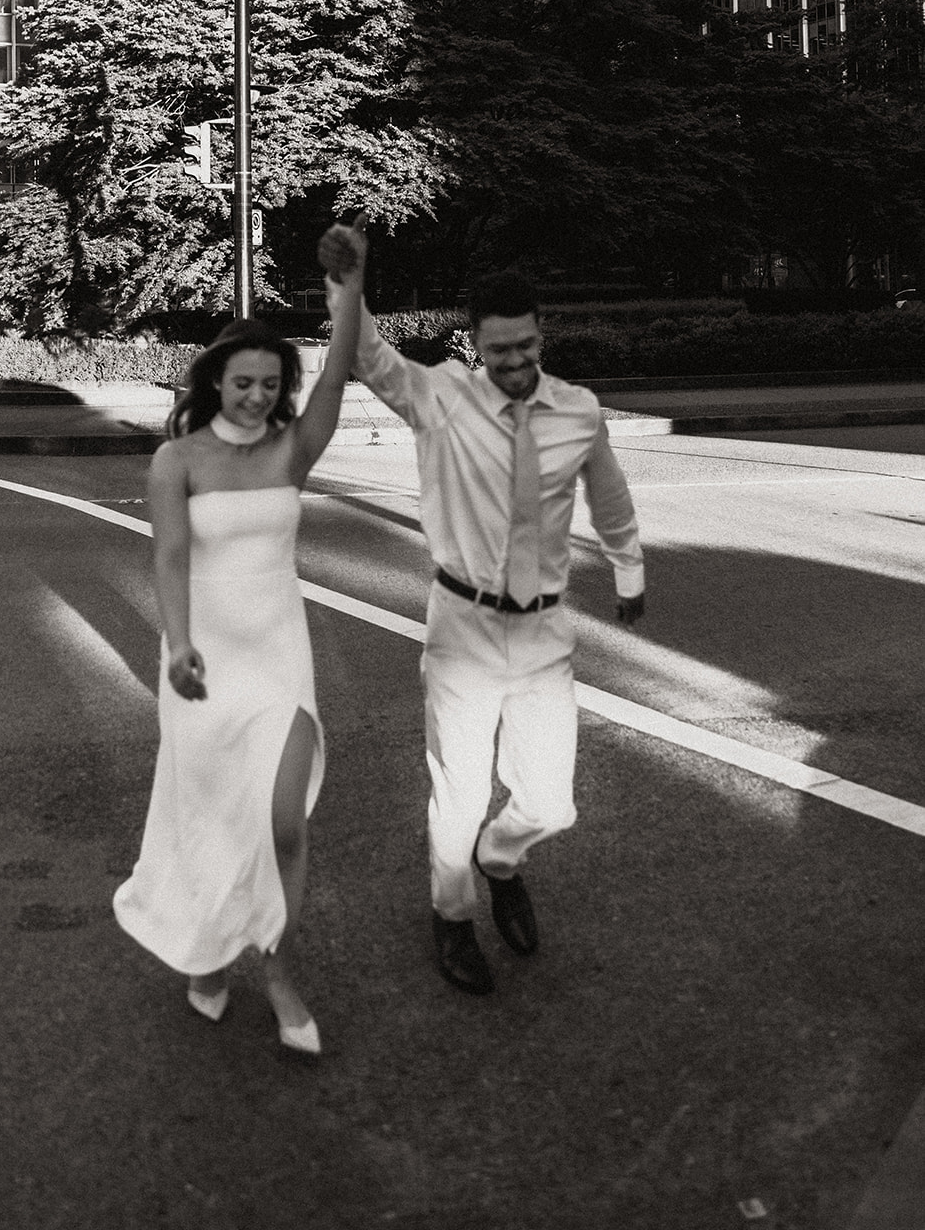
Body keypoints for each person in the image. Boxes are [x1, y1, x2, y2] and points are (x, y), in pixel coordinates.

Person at [319, 222, 644, 996]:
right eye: (499, 351)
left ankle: (501, 862)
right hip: (462, 625)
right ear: (473, 347)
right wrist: (347, 284)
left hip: (543, 631)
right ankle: (452, 914)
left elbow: (609, 492)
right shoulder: (439, 397)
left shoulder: (576, 410)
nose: (515, 363)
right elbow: (368, 357)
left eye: (526, 346)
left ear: (540, 336)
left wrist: (629, 569)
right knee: (458, 787)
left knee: (550, 801)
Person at [114, 222, 367, 1055]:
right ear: (215, 382)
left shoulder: (292, 450)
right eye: (242, 383)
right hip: (202, 661)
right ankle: (210, 951)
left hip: (279, 658)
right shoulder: (176, 459)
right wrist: (178, 644)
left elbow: (336, 375)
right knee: (211, 817)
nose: (256, 397)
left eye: (268, 384)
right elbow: (170, 556)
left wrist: (347, 293)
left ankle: (280, 971)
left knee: (283, 823)